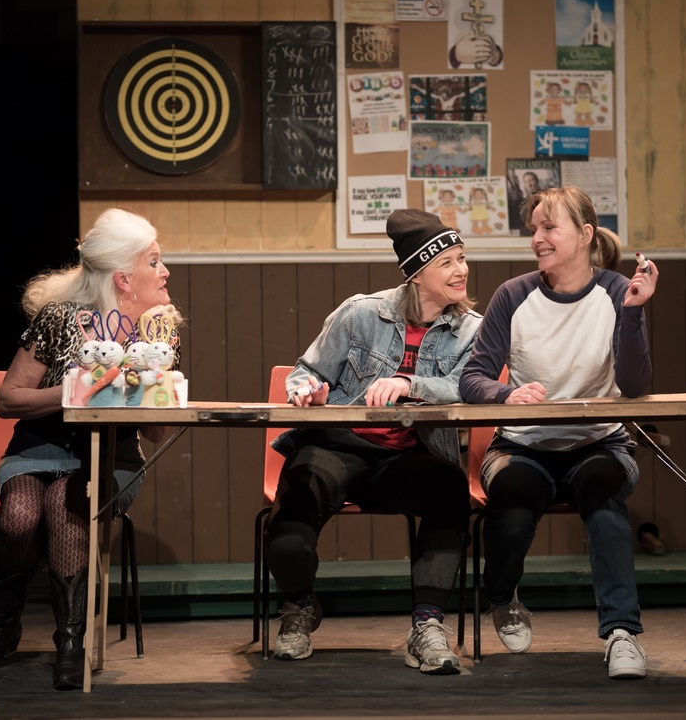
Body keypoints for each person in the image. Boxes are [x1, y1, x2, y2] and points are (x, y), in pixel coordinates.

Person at [0, 208, 181, 690]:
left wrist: (156, 393)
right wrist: (71, 394)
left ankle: (71, 642)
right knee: (17, 519)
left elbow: (158, 433)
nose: (165, 273)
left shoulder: (157, 331)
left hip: (111, 458)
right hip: (38, 448)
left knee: (64, 502)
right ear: (123, 278)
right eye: (154, 262)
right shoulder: (58, 319)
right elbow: (7, 398)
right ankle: (1, 631)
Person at [265, 209, 481, 675]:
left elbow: (472, 386)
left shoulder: (470, 330)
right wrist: (305, 391)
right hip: (336, 447)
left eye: (462, 258)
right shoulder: (360, 313)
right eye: (447, 262)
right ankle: (299, 607)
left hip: (404, 457)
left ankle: (427, 625)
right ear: (418, 274)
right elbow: (307, 371)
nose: (461, 270)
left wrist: (411, 383)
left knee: (448, 488)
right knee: (289, 531)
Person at [458, 186, 658, 679]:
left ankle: (621, 633)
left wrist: (634, 313)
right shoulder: (513, 295)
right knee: (514, 490)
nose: (539, 239)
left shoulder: (616, 292)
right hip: (522, 445)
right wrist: (507, 396)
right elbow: (473, 377)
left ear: (585, 235)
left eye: (550, 228)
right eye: (535, 230)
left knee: (600, 485)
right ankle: (502, 597)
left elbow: (634, 386)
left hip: (600, 443)